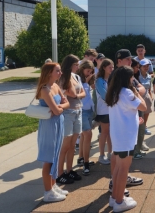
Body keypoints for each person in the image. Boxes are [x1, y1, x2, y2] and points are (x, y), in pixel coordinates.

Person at [106, 66, 147, 212]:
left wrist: (135, 120)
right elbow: (143, 106)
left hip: (118, 135)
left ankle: (114, 197)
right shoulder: (128, 92)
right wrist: (136, 91)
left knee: (117, 168)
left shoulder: (114, 92)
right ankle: (119, 201)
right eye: (132, 77)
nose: (133, 80)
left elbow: (124, 112)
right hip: (125, 137)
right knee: (123, 169)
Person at [36, 63, 70, 202]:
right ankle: (47, 192)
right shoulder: (44, 89)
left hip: (58, 122)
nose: (60, 73)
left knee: (56, 155)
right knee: (49, 158)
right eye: (58, 71)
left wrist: (60, 107)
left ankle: (53, 185)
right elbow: (56, 110)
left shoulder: (55, 86)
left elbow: (66, 104)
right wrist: (60, 108)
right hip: (49, 125)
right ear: (49, 72)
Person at [57, 54, 85, 184]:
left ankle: (69, 170)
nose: (78, 66)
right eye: (76, 64)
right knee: (65, 145)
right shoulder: (63, 77)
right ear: (70, 65)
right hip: (68, 113)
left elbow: (82, 93)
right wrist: (77, 95)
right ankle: (60, 173)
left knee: (73, 145)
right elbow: (72, 93)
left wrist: (77, 95)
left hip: (78, 111)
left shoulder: (77, 76)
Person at [76, 60, 96, 175]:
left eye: (90, 71)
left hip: (88, 110)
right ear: (82, 69)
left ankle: (81, 158)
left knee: (84, 135)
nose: (89, 73)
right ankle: (86, 164)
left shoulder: (85, 80)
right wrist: (87, 83)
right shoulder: (78, 79)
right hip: (82, 110)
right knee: (87, 134)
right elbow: (80, 93)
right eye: (87, 71)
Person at [95, 58, 114, 165]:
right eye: (109, 67)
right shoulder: (99, 80)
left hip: (111, 110)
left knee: (110, 133)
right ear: (104, 68)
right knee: (104, 133)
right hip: (103, 111)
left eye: (112, 67)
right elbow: (105, 95)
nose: (112, 69)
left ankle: (110, 153)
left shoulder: (111, 79)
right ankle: (101, 155)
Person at [134, 44, 153, 135]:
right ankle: (138, 127)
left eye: (147, 66)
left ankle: (144, 126)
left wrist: (150, 94)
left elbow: (149, 85)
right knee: (139, 113)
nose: (146, 67)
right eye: (144, 66)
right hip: (138, 96)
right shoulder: (136, 75)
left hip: (147, 95)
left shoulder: (149, 76)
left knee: (147, 111)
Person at [131, 59, 147, 160]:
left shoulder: (133, 77)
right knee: (135, 131)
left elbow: (142, 88)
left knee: (141, 129)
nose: (138, 69)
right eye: (136, 67)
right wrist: (137, 92)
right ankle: (134, 152)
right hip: (132, 108)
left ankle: (138, 150)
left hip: (138, 107)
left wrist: (136, 91)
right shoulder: (123, 77)